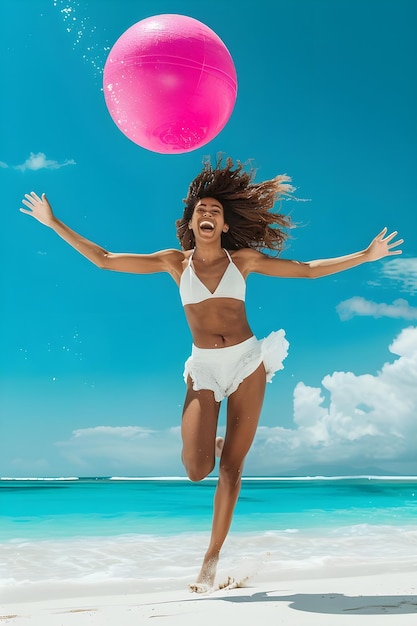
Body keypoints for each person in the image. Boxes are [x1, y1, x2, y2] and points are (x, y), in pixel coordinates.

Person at [20, 155, 403, 591]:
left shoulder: (243, 261)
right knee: (196, 469)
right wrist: (54, 223)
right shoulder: (172, 263)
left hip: (245, 363)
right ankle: (213, 440)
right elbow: (104, 259)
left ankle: (211, 556)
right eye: (201, 209)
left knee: (232, 469)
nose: (207, 214)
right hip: (204, 368)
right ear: (191, 222)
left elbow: (309, 270)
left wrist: (367, 256)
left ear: (223, 227)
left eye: (215, 212)